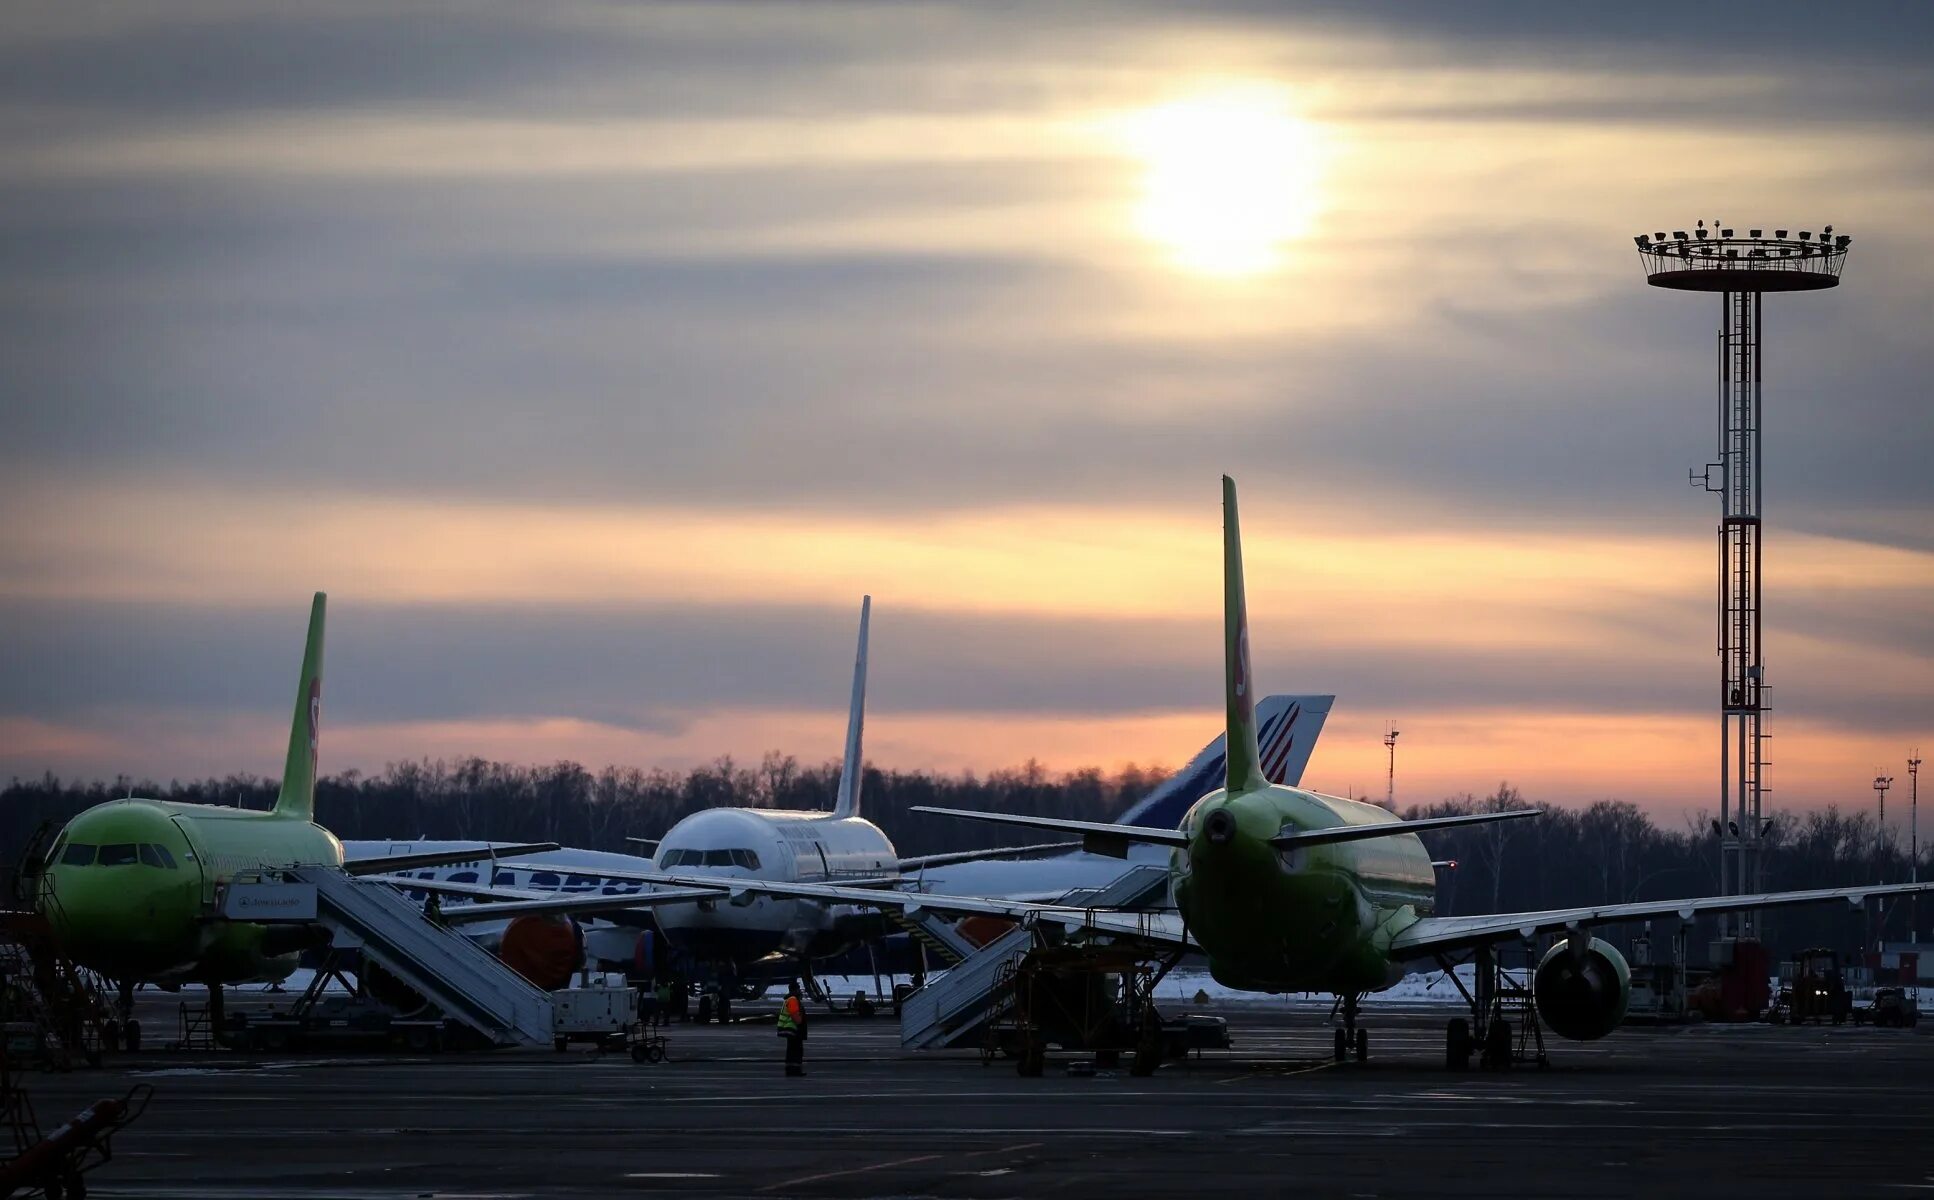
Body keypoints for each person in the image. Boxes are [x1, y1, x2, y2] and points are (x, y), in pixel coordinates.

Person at [777, 981, 808, 1077]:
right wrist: (799, 1022)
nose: (800, 991)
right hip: (794, 1030)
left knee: (792, 1051)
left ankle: (791, 1070)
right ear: (795, 990)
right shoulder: (793, 1000)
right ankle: (795, 1070)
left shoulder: (790, 999)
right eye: (798, 989)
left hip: (791, 1030)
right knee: (796, 1051)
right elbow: (794, 1014)